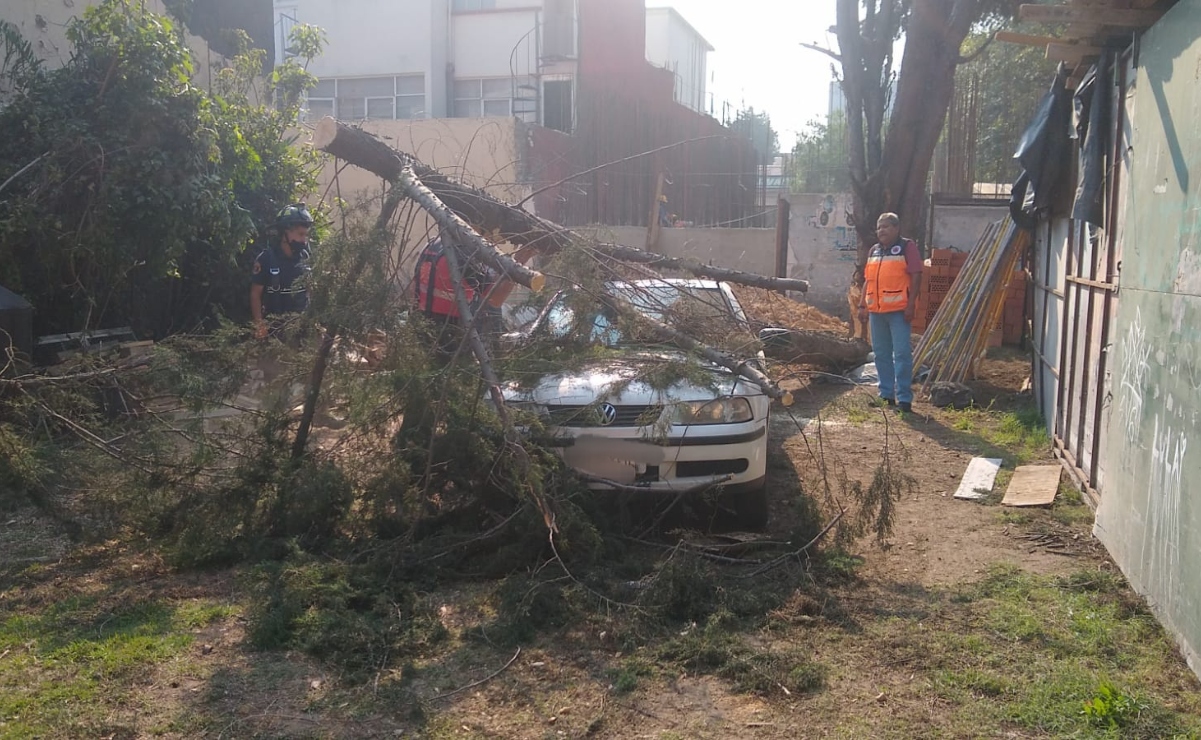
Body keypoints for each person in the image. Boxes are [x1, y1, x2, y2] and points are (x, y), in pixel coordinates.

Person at [858, 212, 922, 412]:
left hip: (899, 312)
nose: (881, 231)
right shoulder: (874, 251)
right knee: (881, 354)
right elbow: (868, 280)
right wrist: (862, 306)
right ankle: (886, 394)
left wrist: (911, 304)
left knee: (902, 354)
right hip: (876, 312)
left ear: (896, 228)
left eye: (885, 227)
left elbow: (917, 274)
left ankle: (904, 398)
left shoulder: (906, 247)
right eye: (879, 227)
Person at [251, 203, 314, 340]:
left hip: (300, 331)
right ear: (285, 232)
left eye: (306, 235)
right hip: (273, 331)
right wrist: (259, 325)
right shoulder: (266, 259)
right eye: (300, 234)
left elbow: (310, 290)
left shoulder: (305, 257)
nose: (304, 240)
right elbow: (255, 294)